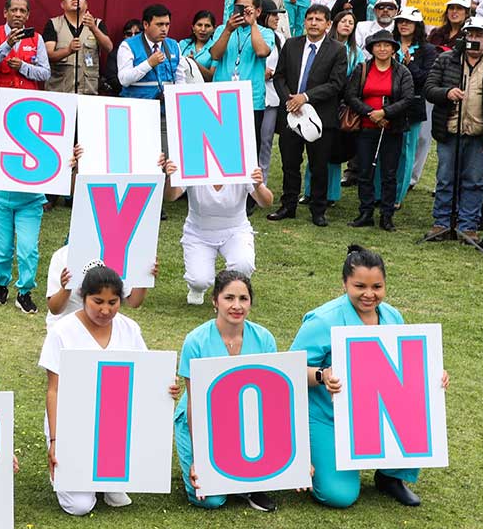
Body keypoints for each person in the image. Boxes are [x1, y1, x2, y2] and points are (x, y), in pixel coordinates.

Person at [291, 246, 449, 508]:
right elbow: (289, 369)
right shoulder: (322, 320)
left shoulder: (392, 316)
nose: (369, 294)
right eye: (360, 286)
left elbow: (405, 362)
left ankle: (391, 477)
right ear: (344, 284)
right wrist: (321, 375)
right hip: (327, 416)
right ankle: (313, 453)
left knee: (413, 412)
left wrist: (433, 376)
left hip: (377, 409)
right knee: (339, 496)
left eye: (377, 286)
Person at [41, 264, 181, 516]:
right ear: (83, 297)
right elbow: (54, 390)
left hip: (116, 421)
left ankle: (108, 480)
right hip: (74, 423)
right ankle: (81, 478)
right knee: (79, 506)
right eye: (98, 301)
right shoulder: (61, 332)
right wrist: (55, 440)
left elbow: (145, 377)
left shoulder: (130, 328)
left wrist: (166, 388)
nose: (105, 310)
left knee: (117, 493)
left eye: (113, 302)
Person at [173, 270, 280, 512]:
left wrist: (295, 455)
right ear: (215, 301)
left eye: (243, 299)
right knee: (212, 500)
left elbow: (273, 400)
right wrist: (199, 458)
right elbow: (194, 403)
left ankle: (248, 484)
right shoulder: (196, 341)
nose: (237, 305)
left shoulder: (265, 339)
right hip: (203, 417)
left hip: (246, 418)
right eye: (229, 298)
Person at [424, 16, 483, 247]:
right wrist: (446, 93)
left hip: (481, 134)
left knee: (474, 181)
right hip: (450, 130)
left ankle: (468, 225)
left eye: (479, 35)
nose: (474, 39)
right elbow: (429, 88)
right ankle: (442, 223)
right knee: (445, 179)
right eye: (471, 34)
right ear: (465, 37)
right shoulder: (446, 60)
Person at [167, 148, 270, 303]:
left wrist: (258, 185)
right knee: (199, 279)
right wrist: (171, 178)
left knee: (243, 265)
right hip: (198, 232)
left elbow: (266, 202)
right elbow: (171, 196)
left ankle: (230, 291)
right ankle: (196, 288)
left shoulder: (242, 165)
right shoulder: (194, 164)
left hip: (236, 231)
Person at [343, 29, 414, 230]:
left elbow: (407, 98)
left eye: (386, 45)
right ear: (372, 48)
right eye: (378, 45)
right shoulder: (362, 68)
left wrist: (385, 113)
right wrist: (370, 113)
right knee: (364, 171)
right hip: (365, 128)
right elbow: (351, 95)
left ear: (393, 49)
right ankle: (365, 212)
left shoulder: (402, 72)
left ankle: (387, 215)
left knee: (389, 173)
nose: (382, 49)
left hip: (392, 129)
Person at [0, 132, 46, 312]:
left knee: (28, 248)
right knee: (0, 248)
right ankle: (1, 286)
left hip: (30, 201)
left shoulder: (46, 130)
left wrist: (71, 162)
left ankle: (24, 292)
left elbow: (56, 165)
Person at [205, 0, 274, 136]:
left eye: (247, 8)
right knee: (220, 141)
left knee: (249, 146)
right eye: (239, 8)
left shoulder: (266, 32)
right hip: (221, 95)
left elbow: (261, 51)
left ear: (258, 11)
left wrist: (253, 24)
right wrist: (228, 30)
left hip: (251, 99)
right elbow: (215, 55)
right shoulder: (222, 30)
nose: (243, 12)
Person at [393, 8, 438, 203]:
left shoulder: (427, 50)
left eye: (408, 22)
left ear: (417, 25)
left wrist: (410, 64)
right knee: (389, 148)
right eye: (401, 21)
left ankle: (398, 195)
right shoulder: (389, 44)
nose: (403, 25)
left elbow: (427, 79)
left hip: (413, 105)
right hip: (389, 103)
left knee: (407, 149)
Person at [44, 0, 112, 94]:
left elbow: (108, 48)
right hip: (59, 91)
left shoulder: (97, 23)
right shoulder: (53, 24)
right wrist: (68, 51)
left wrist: (93, 28)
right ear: (62, 4)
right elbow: (48, 55)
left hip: (88, 92)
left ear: (86, 4)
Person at [117, 3, 183, 100]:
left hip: (166, 107)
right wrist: (148, 64)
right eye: (159, 24)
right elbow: (124, 79)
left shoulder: (174, 45)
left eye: (167, 24)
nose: (164, 29)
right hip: (138, 106)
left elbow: (181, 79)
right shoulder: (128, 45)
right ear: (145, 25)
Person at [0, 0, 50, 92]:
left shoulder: (37, 38)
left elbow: (45, 74)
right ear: (5, 13)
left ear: (27, 15)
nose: (18, 14)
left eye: (22, 11)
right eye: (14, 10)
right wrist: (7, 45)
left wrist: (22, 66)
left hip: (26, 97)